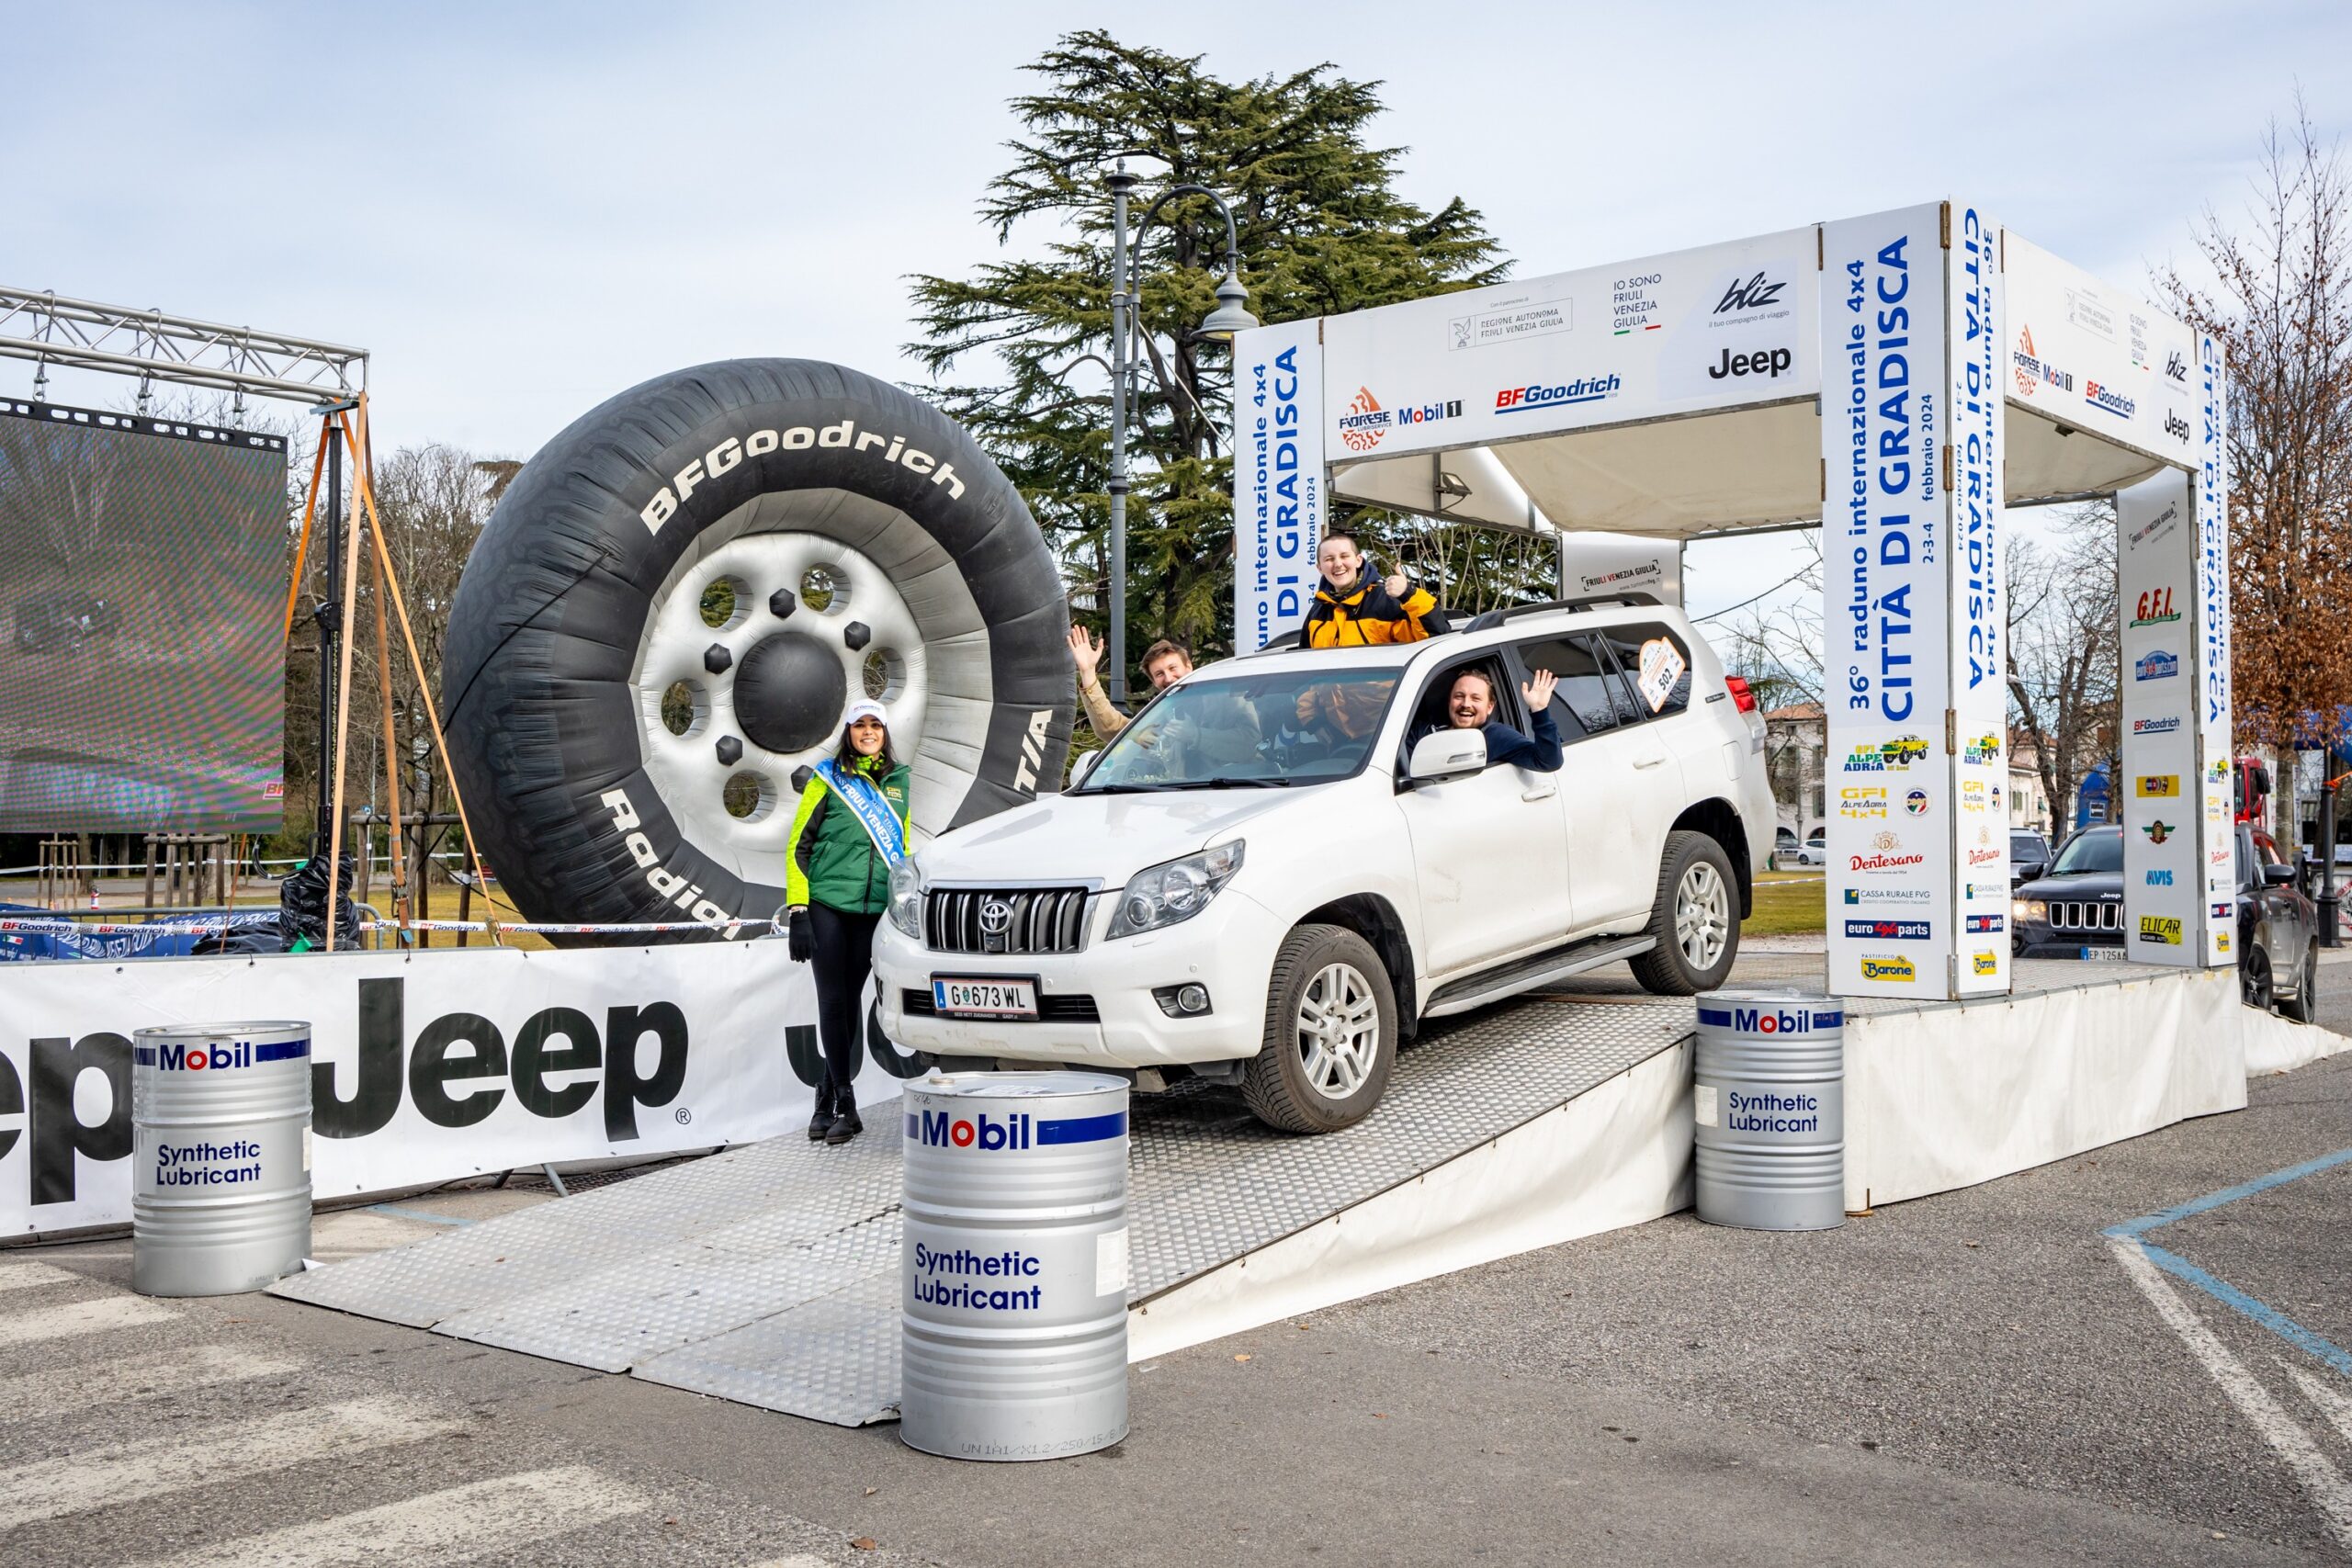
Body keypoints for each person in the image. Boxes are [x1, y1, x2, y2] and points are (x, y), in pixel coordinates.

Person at [783, 699, 910, 1145]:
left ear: (885, 733)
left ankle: (824, 1101)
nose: (868, 732)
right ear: (849, 732)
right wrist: (798, 910)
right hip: (827, 904)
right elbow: (798, 847)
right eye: (860, 725)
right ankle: (847, 1104)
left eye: (876, 725)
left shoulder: (900, 780)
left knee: (850, 1002)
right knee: (833, 1001)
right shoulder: (827, 778)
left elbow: (901, 847)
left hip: (873, 910)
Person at [1300, 532, 1440, 648]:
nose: (1338, 564)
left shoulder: (1385, 600)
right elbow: (1303, 663)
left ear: (1358, 560)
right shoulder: (1317, 611)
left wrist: (1408, 593)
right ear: (1320, 568)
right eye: (1329, 559)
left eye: (1344, 556)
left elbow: (1435, 639)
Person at [1414, 667, 1565, 772]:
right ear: (1449, 702)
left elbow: (1548, 762)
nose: (1466, 704)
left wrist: (1539, 710)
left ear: (1490, 707)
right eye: (1459, 696)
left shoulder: (1496, 736)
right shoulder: (1423, 733)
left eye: (1476, 698)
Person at [1068, 626, 1192, 740]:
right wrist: (1088, 672)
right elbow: (1112, 727)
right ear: (1153, 681)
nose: (1168, 678)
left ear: (1188, 667)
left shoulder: (1205, 698)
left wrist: (1196, 736)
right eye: (1159, 674)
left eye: (1172, 668)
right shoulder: (1159, 717)